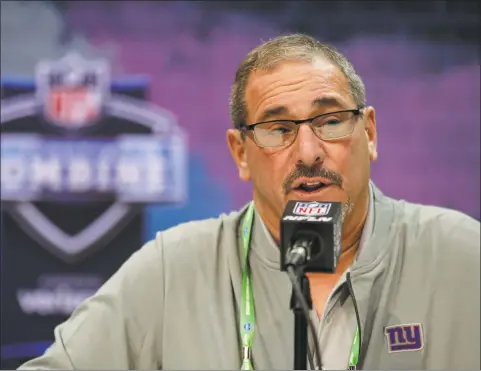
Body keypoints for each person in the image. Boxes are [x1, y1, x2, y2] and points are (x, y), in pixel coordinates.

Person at [19, 33, 480, 370]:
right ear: (241, 153)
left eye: (331, 120)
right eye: (278, 129)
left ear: (370, 133)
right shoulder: (174, 270)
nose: (308, 152)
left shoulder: (462, 257)